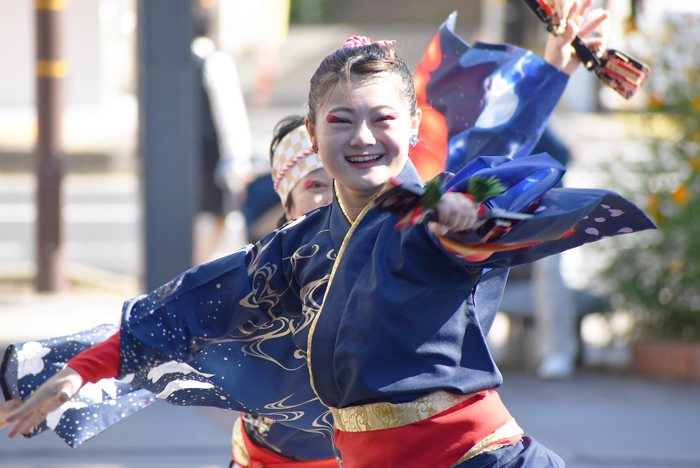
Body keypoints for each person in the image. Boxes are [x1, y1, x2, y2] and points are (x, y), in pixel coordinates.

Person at [2, 3, 656, 467]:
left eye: (381, 119)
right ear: (312, 138)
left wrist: (464, 207)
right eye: (342, 121)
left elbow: (488, 160)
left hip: (476, 457)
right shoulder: (293, 249)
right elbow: (182, 306)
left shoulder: (422, 209)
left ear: (411, 129)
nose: (364, 136)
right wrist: (82, 372)